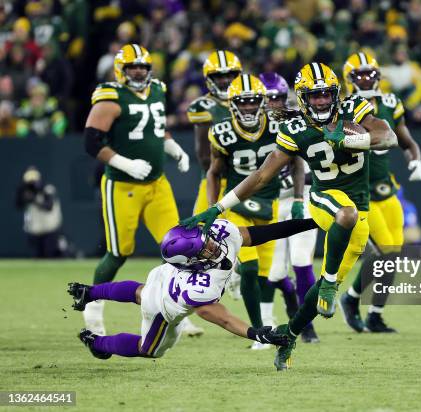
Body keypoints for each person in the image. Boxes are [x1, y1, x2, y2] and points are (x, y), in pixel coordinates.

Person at [182, 62, 398, 370]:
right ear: (302, 97)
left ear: (336, 94)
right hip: (325, 198)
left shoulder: (353, 106)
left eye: (326, 94)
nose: (322, 101)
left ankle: (289, 334)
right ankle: (328, 283)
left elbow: (387, 137)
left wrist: (352, 139)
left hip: (360, 207)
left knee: (327, 278)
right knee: (345, 217)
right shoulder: (294, 128)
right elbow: (261, 176)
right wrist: (218, 207)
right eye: (315, 95)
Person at [67, 218, 321, 360]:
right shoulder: (200, 286)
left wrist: (309, 223)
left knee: (141, 291)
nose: (212, 245)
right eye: (205, 249)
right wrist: (256, 334)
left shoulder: (218, 233)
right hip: (162, 305)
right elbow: (222, 318)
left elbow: (261, 233)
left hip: (164, 277)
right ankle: (97, 342)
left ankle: (89, 292)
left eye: (207, 240)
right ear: (191, 262)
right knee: (149, 349)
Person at [82, 44, 202, 337]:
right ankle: (92, 304)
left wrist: (174, 149)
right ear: (120, 70)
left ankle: (178, 310)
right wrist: (124, 163)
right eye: (132, 67)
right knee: (119, 253)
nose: (138, 71)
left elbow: (157, 128)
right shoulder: (110, 97)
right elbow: (91, 142)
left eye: (143, 67)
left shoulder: (158, 90)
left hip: (157, 183)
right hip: (123, 186)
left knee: (178, 248)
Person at [339, 51, 421, 333]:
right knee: (385, 253)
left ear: (378, 76)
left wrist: (416, 159)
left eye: (370, 74)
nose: (365, 79)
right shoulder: (344, 108)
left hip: (387, 190)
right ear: (349, 79)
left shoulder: (390, 102)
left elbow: (406, 141)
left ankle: (373, 313)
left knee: (392, 255)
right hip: (359, 191)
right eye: (359, 75)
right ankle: (352, 300)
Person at [206, 74, 283, 350]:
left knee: (263, 275)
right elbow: (214, 172)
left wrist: (298, 196)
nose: (249, 107)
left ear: (263, 101)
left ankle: (261, 324)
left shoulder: (278, 124)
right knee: (250, 270)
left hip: (268, 204)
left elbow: (296, 162)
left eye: (253, 101)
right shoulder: (222, 132)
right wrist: (213, 209)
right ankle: (259, 333)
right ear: (232, 104)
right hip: (236, 205)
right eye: (243, 102)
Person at [259, 72, 319, 343]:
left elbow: (306, 165)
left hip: (301, 195)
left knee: (301, 259)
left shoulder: (298, 119)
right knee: (273, 272)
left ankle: (306, 324)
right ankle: (293, 307)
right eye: (269, 98)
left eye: (279, 98)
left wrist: (298, 196)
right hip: (270, 202)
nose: (274, 104)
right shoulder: (249, 126)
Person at [187, 50, 242, 215]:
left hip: (248, 180)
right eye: (219, 76)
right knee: (198, 234)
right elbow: (204, 156)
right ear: (209, 79)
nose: (225, 80)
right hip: (218, 179)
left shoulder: (251, 102)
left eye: (229, 75)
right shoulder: (204, 106)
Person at [15, 166, 63, 257]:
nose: (32, 184)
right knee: (37, 256)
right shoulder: (25, 191)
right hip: (34, 229)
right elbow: (18, 205)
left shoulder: (47, 189)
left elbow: (49, 206)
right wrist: (22, 194)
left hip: (50, 228)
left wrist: (34, 199)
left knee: (50, 254)